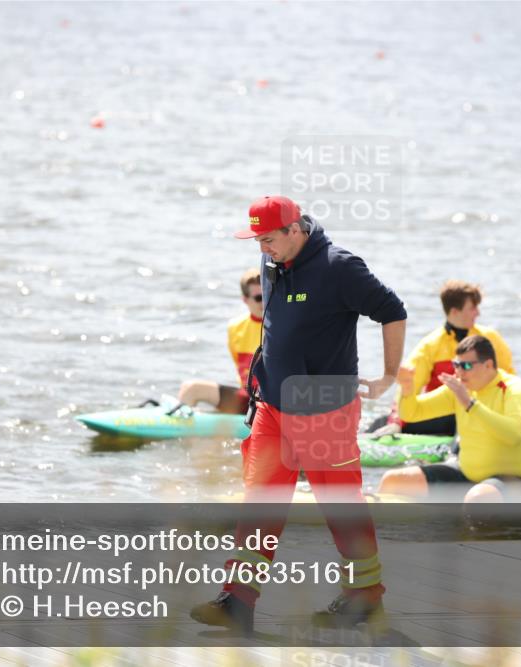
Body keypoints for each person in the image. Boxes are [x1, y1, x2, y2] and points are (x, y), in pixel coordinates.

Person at [190, 195, 407, 635]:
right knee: (260, 502)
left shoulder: (339, 267)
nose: (262, 248)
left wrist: (387, 376)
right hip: (272, 403)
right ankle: (237, 599)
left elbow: (392, 310)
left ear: (295, 230)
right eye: (257, 241)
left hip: (326, 407)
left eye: (268, 239)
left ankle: (365, 597)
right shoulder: (273, 261)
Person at [378, 335, 521, 503]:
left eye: (466, 365)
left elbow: (514, 435)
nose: (459, 372)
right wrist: (407, 388)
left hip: (519, 482)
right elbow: (412, 413)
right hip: (469, 476)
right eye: (456, 365)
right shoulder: (460, 388)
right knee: (392, 481)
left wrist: (470, 404)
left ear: (488, 365)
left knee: (478, 498)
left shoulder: (514, 389)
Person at [371, 280, 514, 436]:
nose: (478, 313)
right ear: (454, 312)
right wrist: (396, 422)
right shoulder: (430, 346)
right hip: (443, 415)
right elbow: (408, 386)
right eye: (473, 308)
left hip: (482, 410)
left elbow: (510, 379)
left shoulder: (491, 338)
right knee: (382, 421)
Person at [176, 268, 263, 414]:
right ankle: (180, 430)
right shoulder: (235, 327)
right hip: (247, 398)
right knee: (190, 389)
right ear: (245, 300)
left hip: (270, 402)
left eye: (266, 295)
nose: (264, 301)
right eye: (258, 297)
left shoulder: (278, 327)